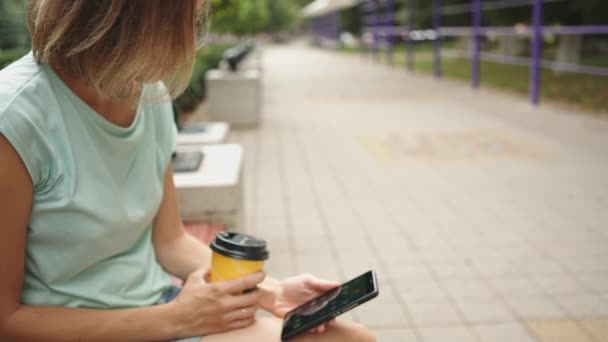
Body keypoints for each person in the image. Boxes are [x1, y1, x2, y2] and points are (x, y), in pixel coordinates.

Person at [0, 1, 376, 341]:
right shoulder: (16, 117)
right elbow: (8, 320)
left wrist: (272, 293)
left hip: (161, 307)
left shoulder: (147, 90)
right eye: (188, 17)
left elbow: (170, 242)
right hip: (95, 328)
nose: (193, 36)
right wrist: (178, 319)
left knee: (351, 339)